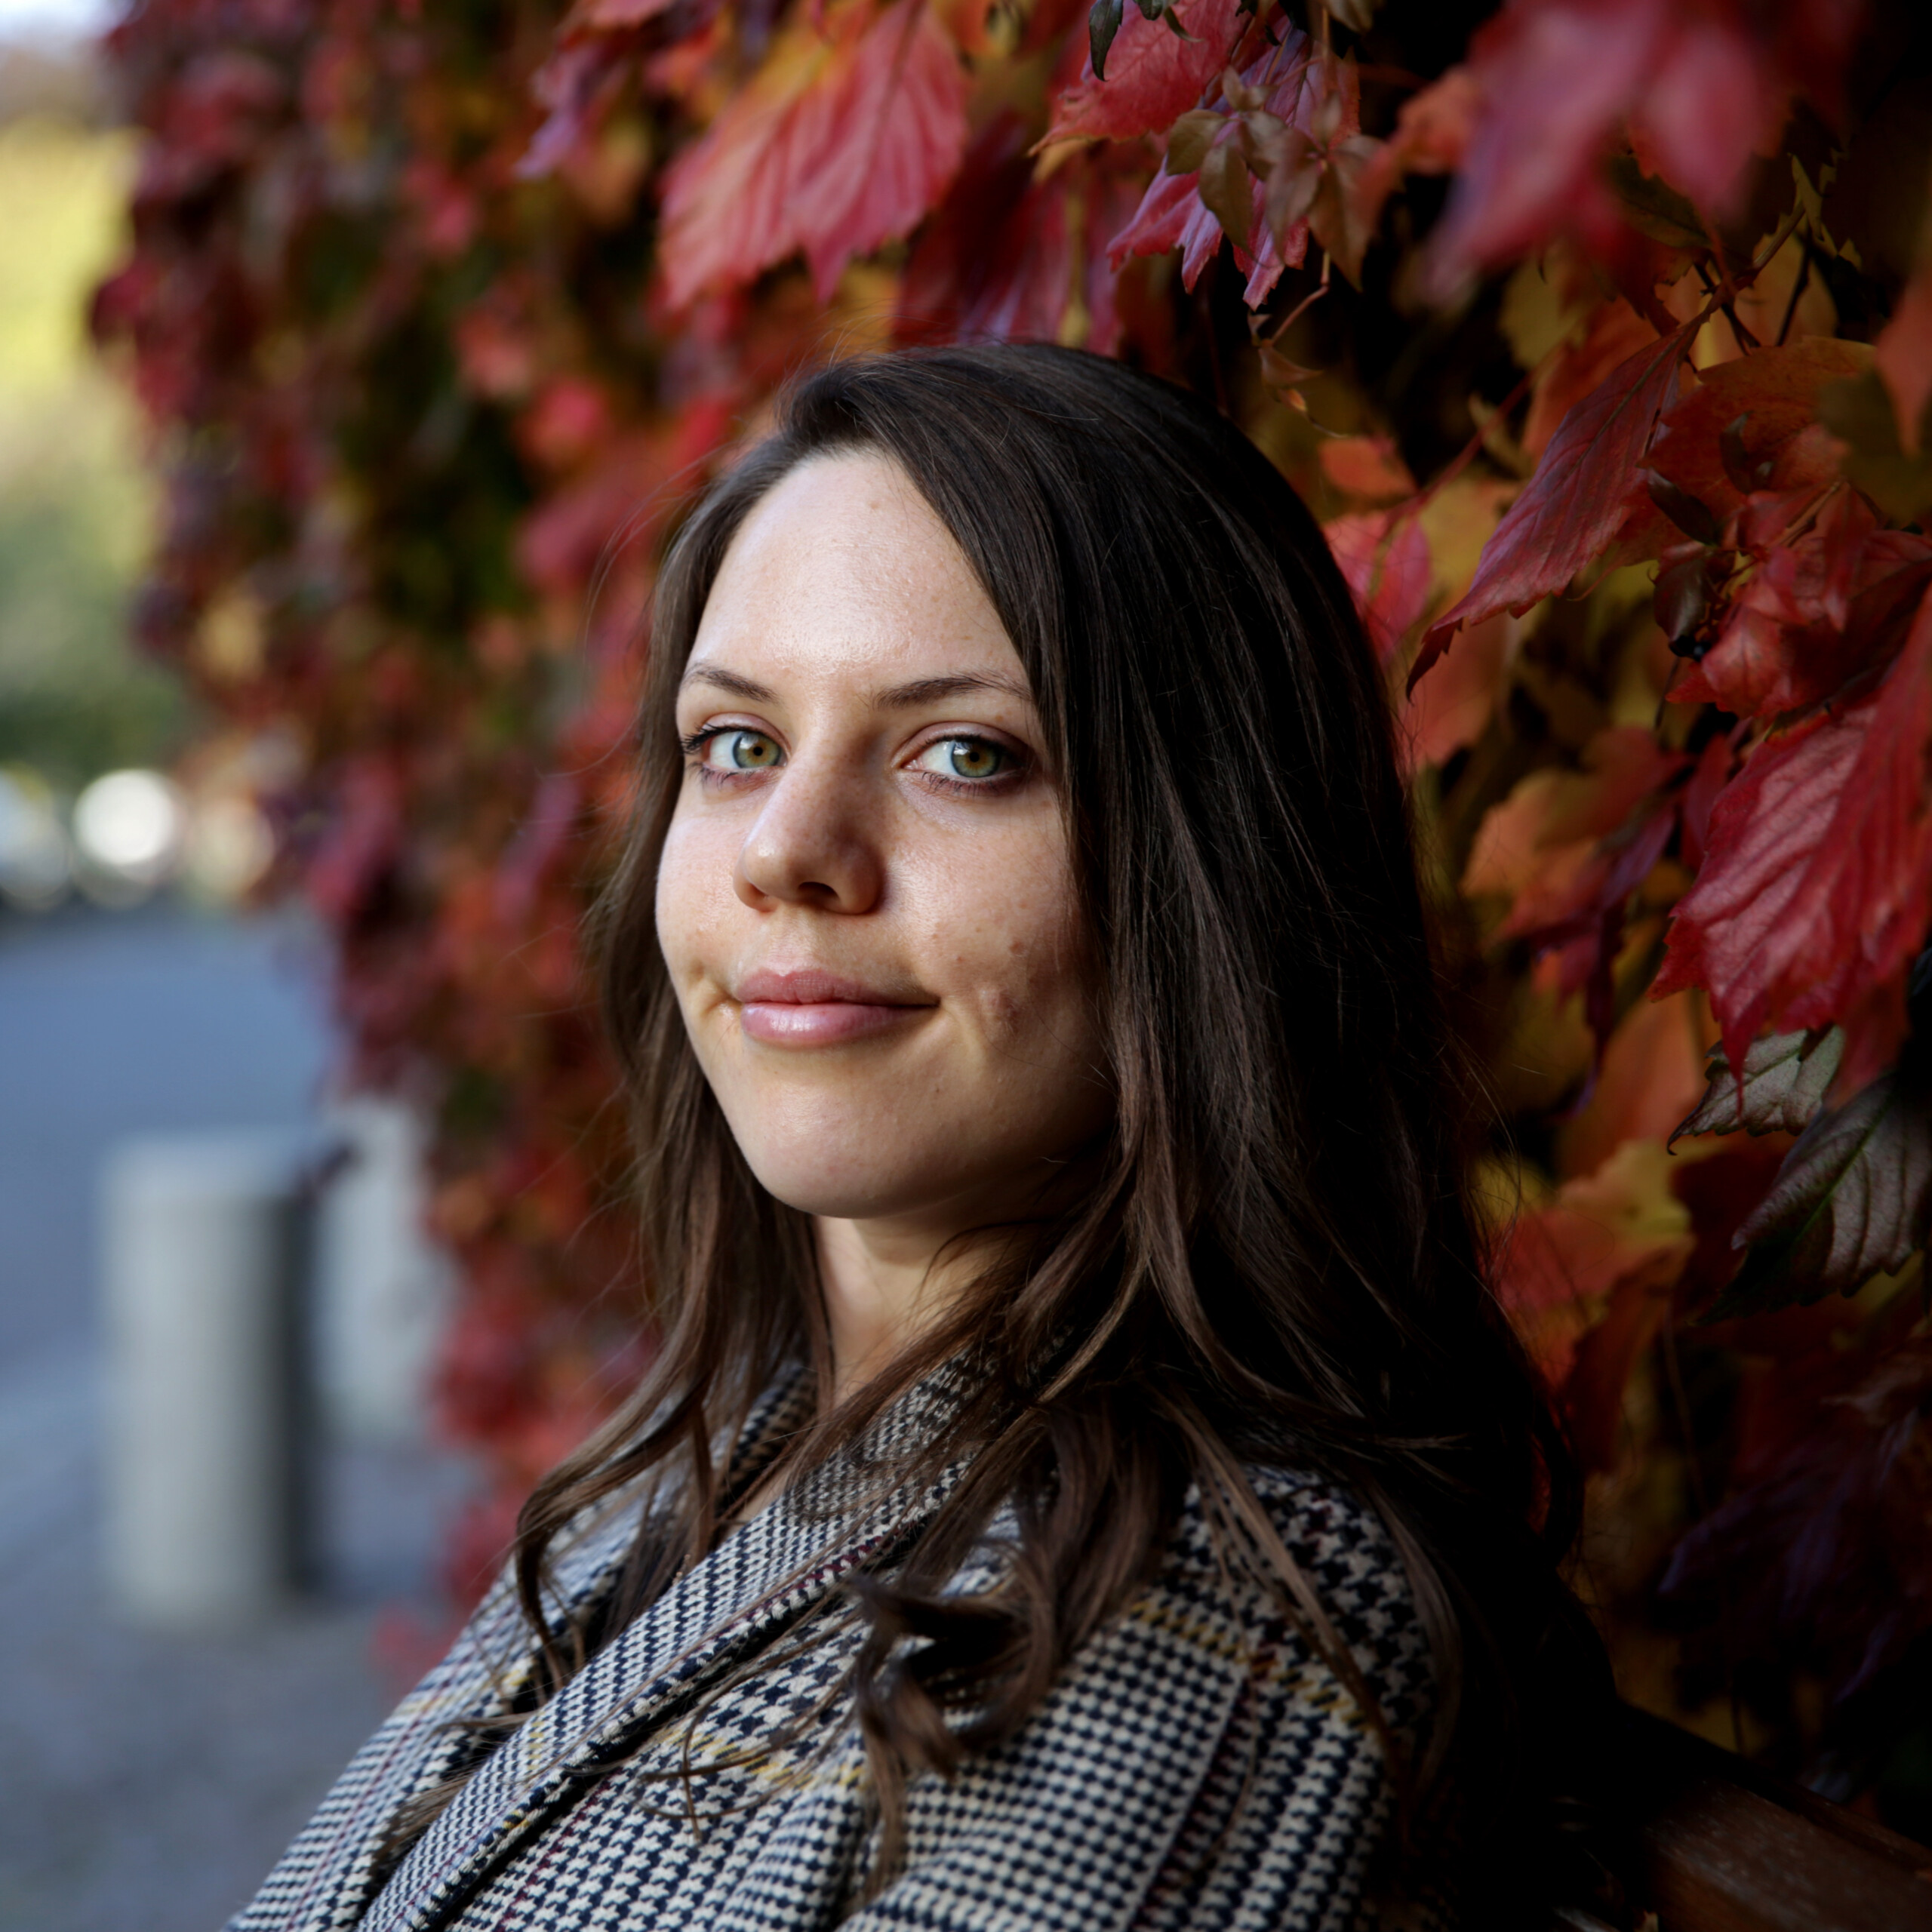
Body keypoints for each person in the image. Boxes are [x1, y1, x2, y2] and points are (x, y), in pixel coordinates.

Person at [233, 344, 1611, 1932]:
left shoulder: (1221, 1615)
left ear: (1204, 879)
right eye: (735, 744)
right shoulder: (704, 1469)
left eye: (966, 754)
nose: (787, 852)